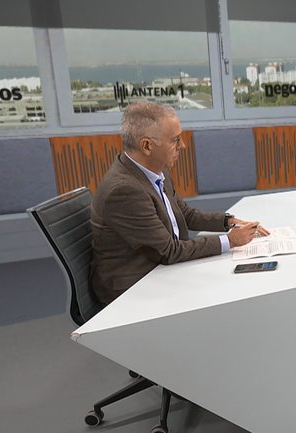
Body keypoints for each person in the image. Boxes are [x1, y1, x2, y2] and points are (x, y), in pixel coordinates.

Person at [90, 101, 270, 305]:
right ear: (147, 146)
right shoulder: (124, 191)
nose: (182, 146)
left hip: (161, 268)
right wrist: (230, 241)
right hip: (132, 287)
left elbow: (184, 214)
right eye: (175, 140)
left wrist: (227, 221)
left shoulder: (158, 170)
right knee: (222, 293)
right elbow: (169, 251)